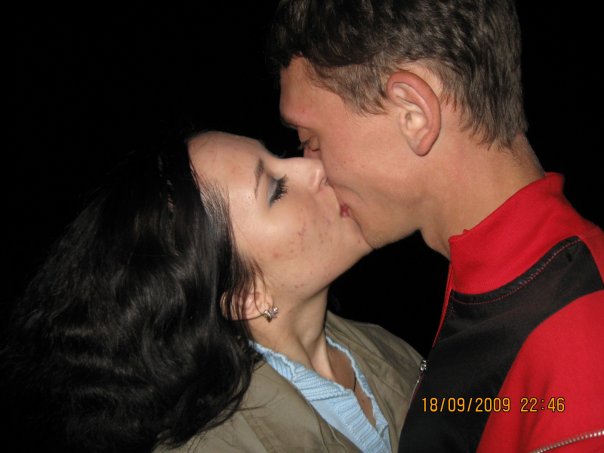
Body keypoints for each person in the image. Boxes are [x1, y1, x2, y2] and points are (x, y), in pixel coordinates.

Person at [268, 1, 604, 452]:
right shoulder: (495, 285)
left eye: (310, 140)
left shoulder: (583, 343)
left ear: (413, 114)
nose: (312, 169)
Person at [1, 130, 422, 453]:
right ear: (245, 295)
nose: (313, 166)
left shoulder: (383, 348)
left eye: (279, 156)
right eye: (275, 190)